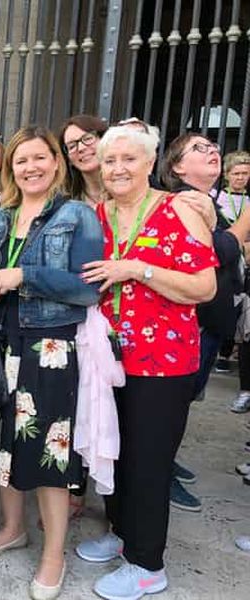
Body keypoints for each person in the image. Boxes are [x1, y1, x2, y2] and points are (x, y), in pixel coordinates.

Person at [79, 125, 217, 600]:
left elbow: (204, 286)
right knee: (115, 451)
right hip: (108, 358)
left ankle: (147, 564)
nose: (118, 168)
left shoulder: (178, 208)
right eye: (110, 160)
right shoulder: (97, 214)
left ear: (150, 161)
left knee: (149, 461)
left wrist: (138, 269)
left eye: (129, 159)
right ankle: (123, 536)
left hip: (165, 362)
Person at [0, 126, 103, 600]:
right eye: (20, 160)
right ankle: (12, 528)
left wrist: (24, 274)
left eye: (38, 158)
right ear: (11, 168)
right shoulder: (0, 217)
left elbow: (87, 289)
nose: (30, 167)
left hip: (49, 346)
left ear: (55, 162)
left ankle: (54, 552)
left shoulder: (77, 215)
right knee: (6, 442)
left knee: (51, 450)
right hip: (0, 342)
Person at [160, 132, 241, 511]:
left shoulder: (213, 203)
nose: (212, 152)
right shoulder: (183, 202)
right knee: (172, 406)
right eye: (199, 149)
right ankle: (159, 476)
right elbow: (216, 251)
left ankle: (167, 462)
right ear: (177, 166)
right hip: (190, 324)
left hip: (211, 322)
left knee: (184, 402)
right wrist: (239, 235)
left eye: (213, 147)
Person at [213, 151, 250, 374]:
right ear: (227, 174)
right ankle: (220, 350)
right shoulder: (215, 197)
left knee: (240, 305)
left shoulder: (249, 201)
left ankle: (227, 351)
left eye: (245, 173)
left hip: (245, 258)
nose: (241, 178)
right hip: (221, 257)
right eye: (236, 173)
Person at [60, 114, 108, 207]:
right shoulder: (64, 204)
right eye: (72, 146)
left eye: (88, 138)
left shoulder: (126, 192)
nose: (81, 148)